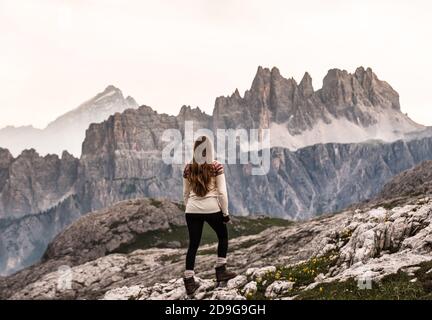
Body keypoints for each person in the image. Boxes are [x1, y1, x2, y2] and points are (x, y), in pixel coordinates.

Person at [182, 136, 237, 295]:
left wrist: (190, 208)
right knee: (223, 237)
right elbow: (221, 192)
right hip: (212, 209)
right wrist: (225, 213)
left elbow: (185, 193)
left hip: (191, 210)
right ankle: (221, 270)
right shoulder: (216, 166)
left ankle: (189, 281)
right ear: (210, 149)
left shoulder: (188, 168)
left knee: (193, 245)